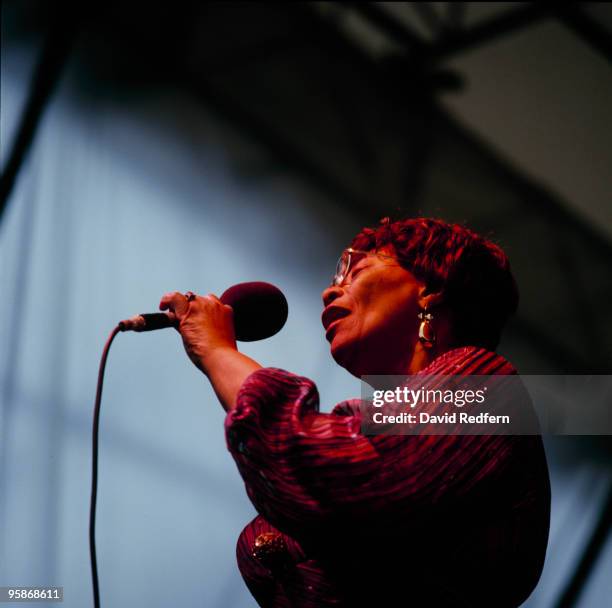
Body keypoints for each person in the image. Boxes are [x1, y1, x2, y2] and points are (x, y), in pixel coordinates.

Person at [160, 217, 550, 607]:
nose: (330, 291)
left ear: (430, 290)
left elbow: (335, 472)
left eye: (357, 271)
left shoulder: (485, 391)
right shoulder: (371, 426)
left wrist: (218, 352)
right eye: (336, 278)